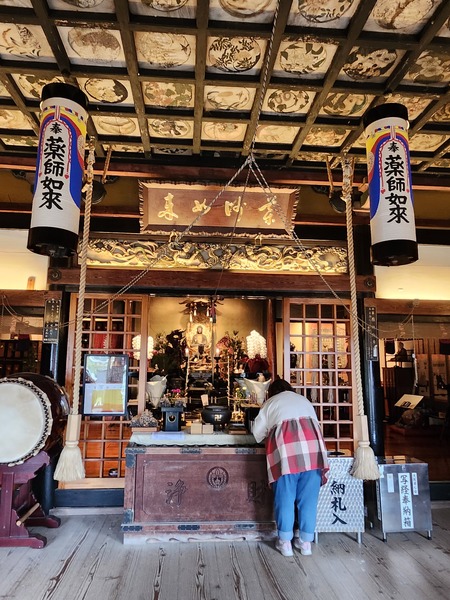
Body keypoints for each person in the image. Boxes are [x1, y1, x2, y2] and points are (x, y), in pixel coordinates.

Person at [252, 377, 329, 557]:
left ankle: (285, 543)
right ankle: (306, 543)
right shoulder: (304, 400)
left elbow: (257, 433)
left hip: (287, 455)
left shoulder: (271, 403)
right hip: (313, 453)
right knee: (308, 499)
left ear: (271, 393)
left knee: (285, 498)